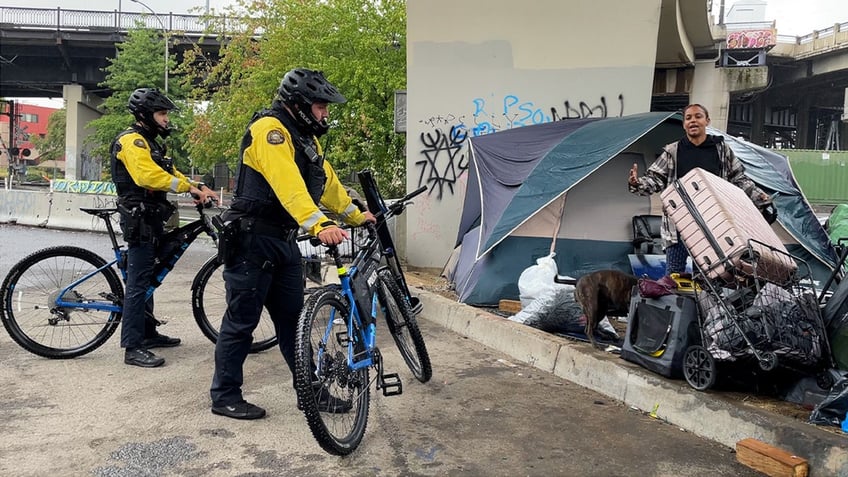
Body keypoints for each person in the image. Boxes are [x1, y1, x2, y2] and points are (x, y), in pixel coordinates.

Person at [210, 68, 376, 420]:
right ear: (299, 105)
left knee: (294, 324)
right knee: (241, 322)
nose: (325, 113)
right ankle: (225, 396)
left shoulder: (306, 140)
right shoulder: (269, 131)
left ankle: (310, 392)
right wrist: (318, 224)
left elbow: (327, 184)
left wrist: (355, 216)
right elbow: (288, 185)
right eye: (320, 106)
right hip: (253, 241)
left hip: (283, 243)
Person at [111, 87, 219, 368]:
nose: (166, 119)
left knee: (149, 276)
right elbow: (147, 176)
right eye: (162, 114)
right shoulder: (131, 141)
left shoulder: (150, 143)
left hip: (152, 216)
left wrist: (196, 186)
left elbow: (168, 172)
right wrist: (186, 188)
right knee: (138, 283)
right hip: (139, 218)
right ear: (146, 115)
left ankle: (148, 334)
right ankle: (132, 347)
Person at [627, 103, 773, 288]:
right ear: (684, 124)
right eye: (688, 118)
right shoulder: (673, 151)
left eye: (698, 116)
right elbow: (655, 179)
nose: (693, 121)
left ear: (707, 121)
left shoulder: (721, 149)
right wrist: (637, 183)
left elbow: (739, 179)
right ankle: (676, 314)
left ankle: (706, 315)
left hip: (713, 225)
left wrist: (760, 197)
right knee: (674, 277)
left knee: (708, 277)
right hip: (679, 225)